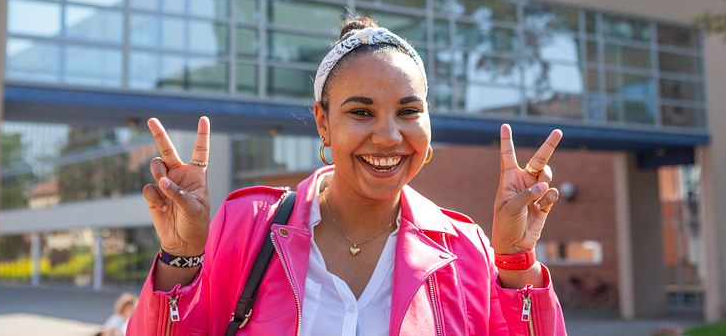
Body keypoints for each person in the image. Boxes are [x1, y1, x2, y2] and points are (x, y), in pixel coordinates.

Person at [128, 16, 566, 335]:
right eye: (361, 112)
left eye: (409, 111)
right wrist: (181, 256)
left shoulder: (465, 249)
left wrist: (514, 261)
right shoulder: (247, 225)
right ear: (323, 123)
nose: (389, 135)